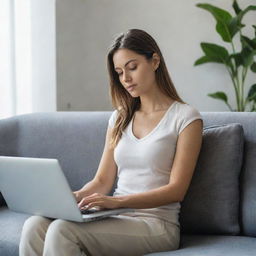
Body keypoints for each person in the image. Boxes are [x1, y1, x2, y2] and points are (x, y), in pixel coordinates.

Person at [19, 28, 203, 256]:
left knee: (62, 231)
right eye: (119, 72)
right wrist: (71, 198)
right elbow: (102, 180)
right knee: (34, 226)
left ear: (154, 61)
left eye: (132, 67)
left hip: (156, 224)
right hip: (116, 217)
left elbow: (176, 191)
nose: (125, 79)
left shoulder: (185, 117)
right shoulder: (119, 117)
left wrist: (117, 202)